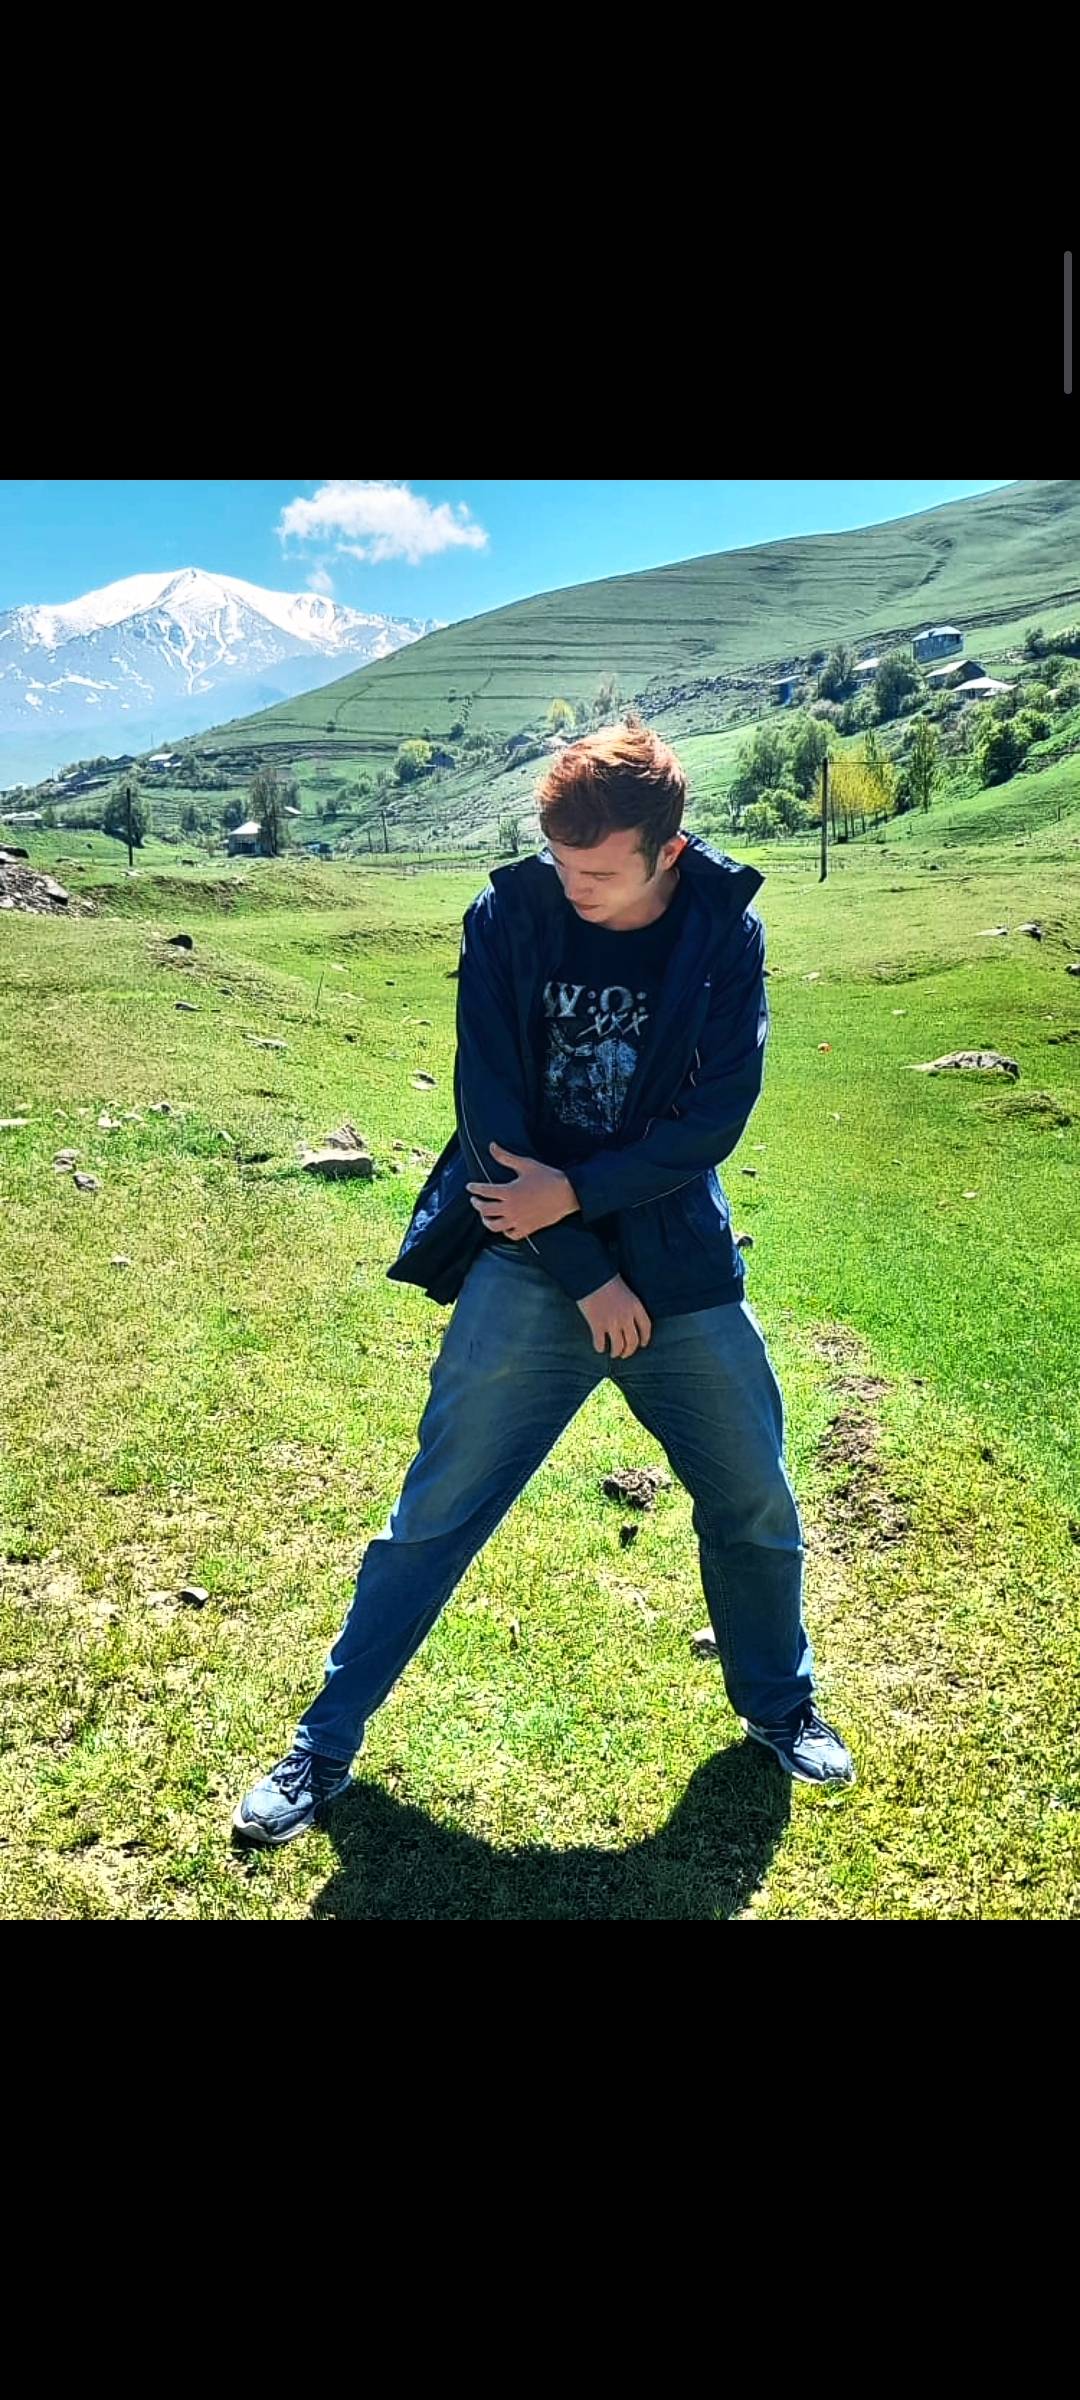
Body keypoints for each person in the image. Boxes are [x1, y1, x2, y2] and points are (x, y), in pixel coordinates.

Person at [234, 719, 854, 1847]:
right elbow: (491, 1116)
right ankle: (323, 1745)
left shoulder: (723, 929)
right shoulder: (510, 915)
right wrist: (581, 1269)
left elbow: (713, 1120)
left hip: (679, 1266)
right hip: (525, 1261)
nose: (573, 887)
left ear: (667, 852)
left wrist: (581, 1201)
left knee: (754, 1497)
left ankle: (779, 1706)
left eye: (598, 872)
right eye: (562, 862)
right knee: (435, 1511)